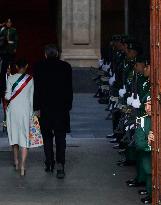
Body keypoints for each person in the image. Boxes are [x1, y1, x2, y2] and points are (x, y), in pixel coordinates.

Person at [33, 44, 73, 179]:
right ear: (57, 54)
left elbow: (36, 90)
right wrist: (68, 106)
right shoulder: (66, 67)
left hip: (45, 109)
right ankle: (60, 165)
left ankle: (49, 162)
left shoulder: (38, 67)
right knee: (61, 138)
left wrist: (36, 108)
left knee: (47, 137)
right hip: (61, 109)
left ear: (45, 54)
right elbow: (69, 89)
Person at [5, 59, 34, 176]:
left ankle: (16, 162)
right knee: (24, 137)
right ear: (26, 66)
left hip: (13, 111)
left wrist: (8, 78)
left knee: (14, 136)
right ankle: (23, 167)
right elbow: (31, 98)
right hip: (25, 111)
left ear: (16, 67)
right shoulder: (30, 79)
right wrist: (32, 114)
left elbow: (7, 97)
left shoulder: (11, 78)